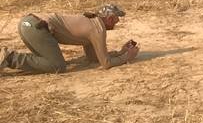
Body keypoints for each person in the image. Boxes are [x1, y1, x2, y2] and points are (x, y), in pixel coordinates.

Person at [0, 4, 139, 74]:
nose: (117, 22)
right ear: (110, 18)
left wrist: (121, 52)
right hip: (37, 27)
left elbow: (94, 58)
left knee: (46, 60)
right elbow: (106, 64)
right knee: (57, 66)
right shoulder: (98, 29)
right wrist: (127, 57)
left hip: (28, 23)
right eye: (117, 19)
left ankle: (8, 58)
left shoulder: (92, 21)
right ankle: (9, 58)